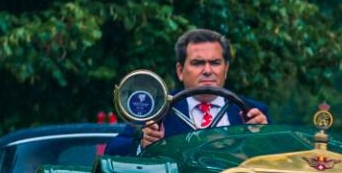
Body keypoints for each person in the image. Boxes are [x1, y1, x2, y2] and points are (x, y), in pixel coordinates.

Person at [105, 28, 269, 155]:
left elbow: (275, 161)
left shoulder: (254, 113)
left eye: (215, 63)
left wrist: (264, 137)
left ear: (225, 69)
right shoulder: (157, 111)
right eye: (197, 63)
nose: (207, 71)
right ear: (180, 71)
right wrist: (143, 143)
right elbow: (113, 151)